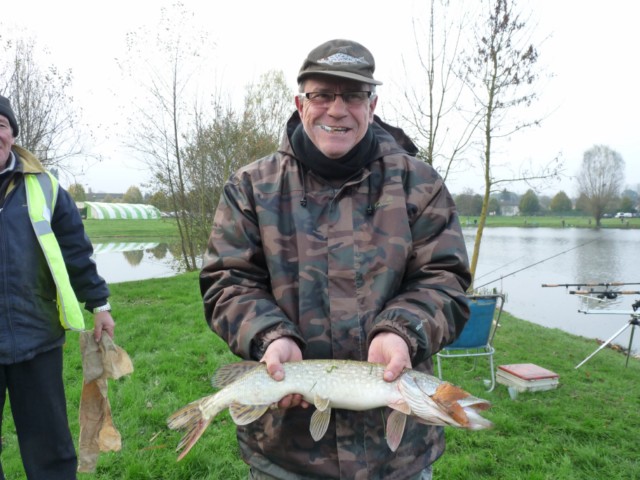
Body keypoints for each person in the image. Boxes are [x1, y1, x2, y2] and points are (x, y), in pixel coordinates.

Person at [200, 39, 471, 480]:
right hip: (285, 451)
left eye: (353, 96)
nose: (337, 110)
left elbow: (445, 279)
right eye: (322, 95)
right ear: (300, 103)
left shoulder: (419, 183)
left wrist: (401, 332)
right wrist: (269, 338)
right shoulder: (251, 186)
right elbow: (227, 282)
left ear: (372, 104)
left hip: (396, 456)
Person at [0, 95, 115, 480]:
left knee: (50, 452)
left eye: (0, 124)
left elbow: (75, 251)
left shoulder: (46, 188)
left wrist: (99, 304)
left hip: (37, 337)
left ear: (13, 134)